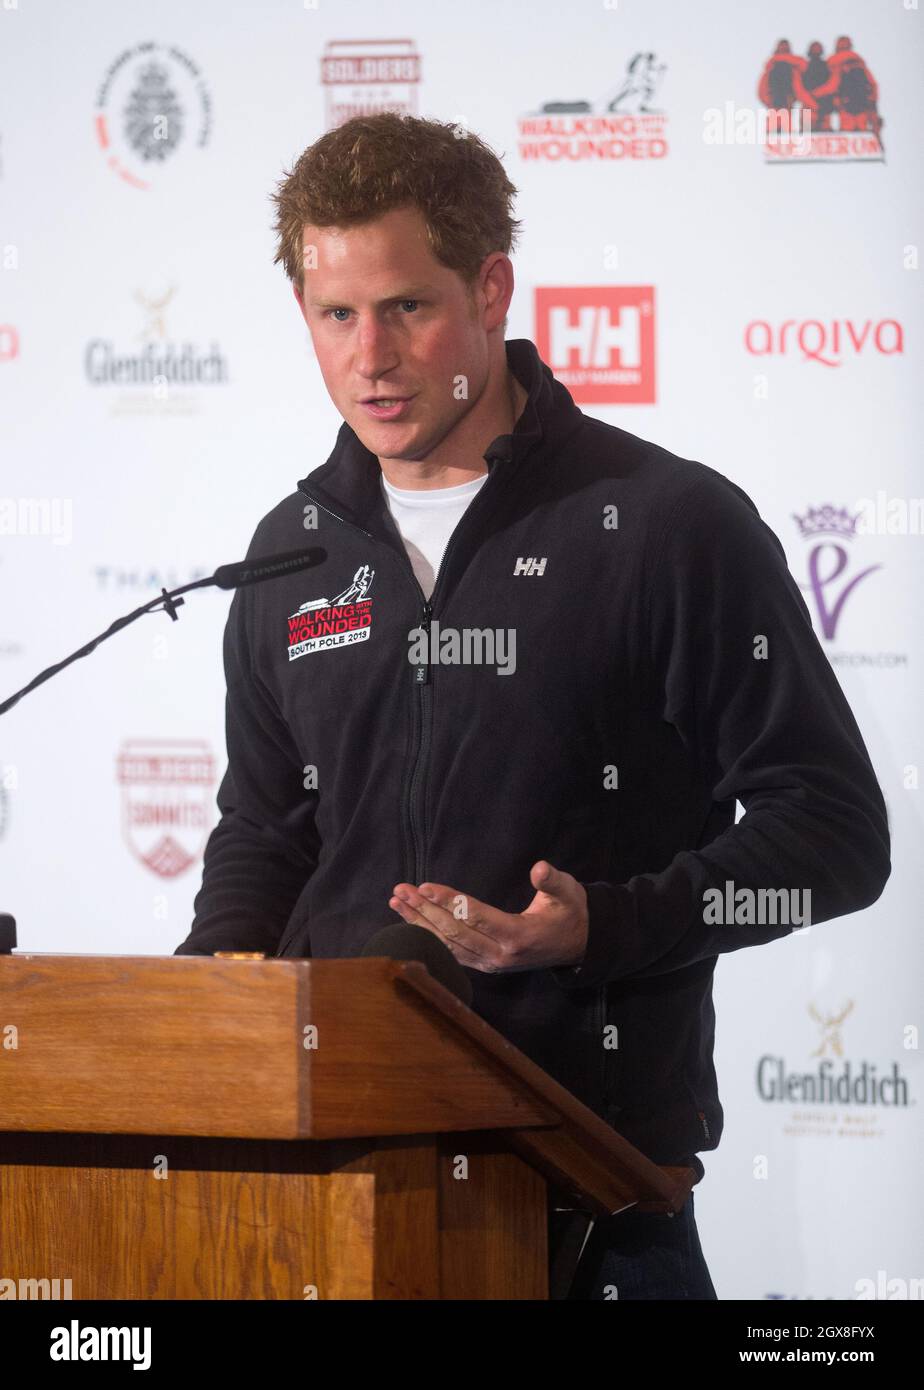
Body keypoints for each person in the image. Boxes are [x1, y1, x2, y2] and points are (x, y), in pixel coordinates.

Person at [174, 112, 891, 1299]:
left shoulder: (668, 525)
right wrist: (205, 996)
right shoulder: (290, 555)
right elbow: (266, 832)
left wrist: (605, 923)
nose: (371, 358)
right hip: (327, 1207)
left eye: (406, 306)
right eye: (334, 315)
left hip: (592, 1218)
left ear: (493, 285)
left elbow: (835, 831)